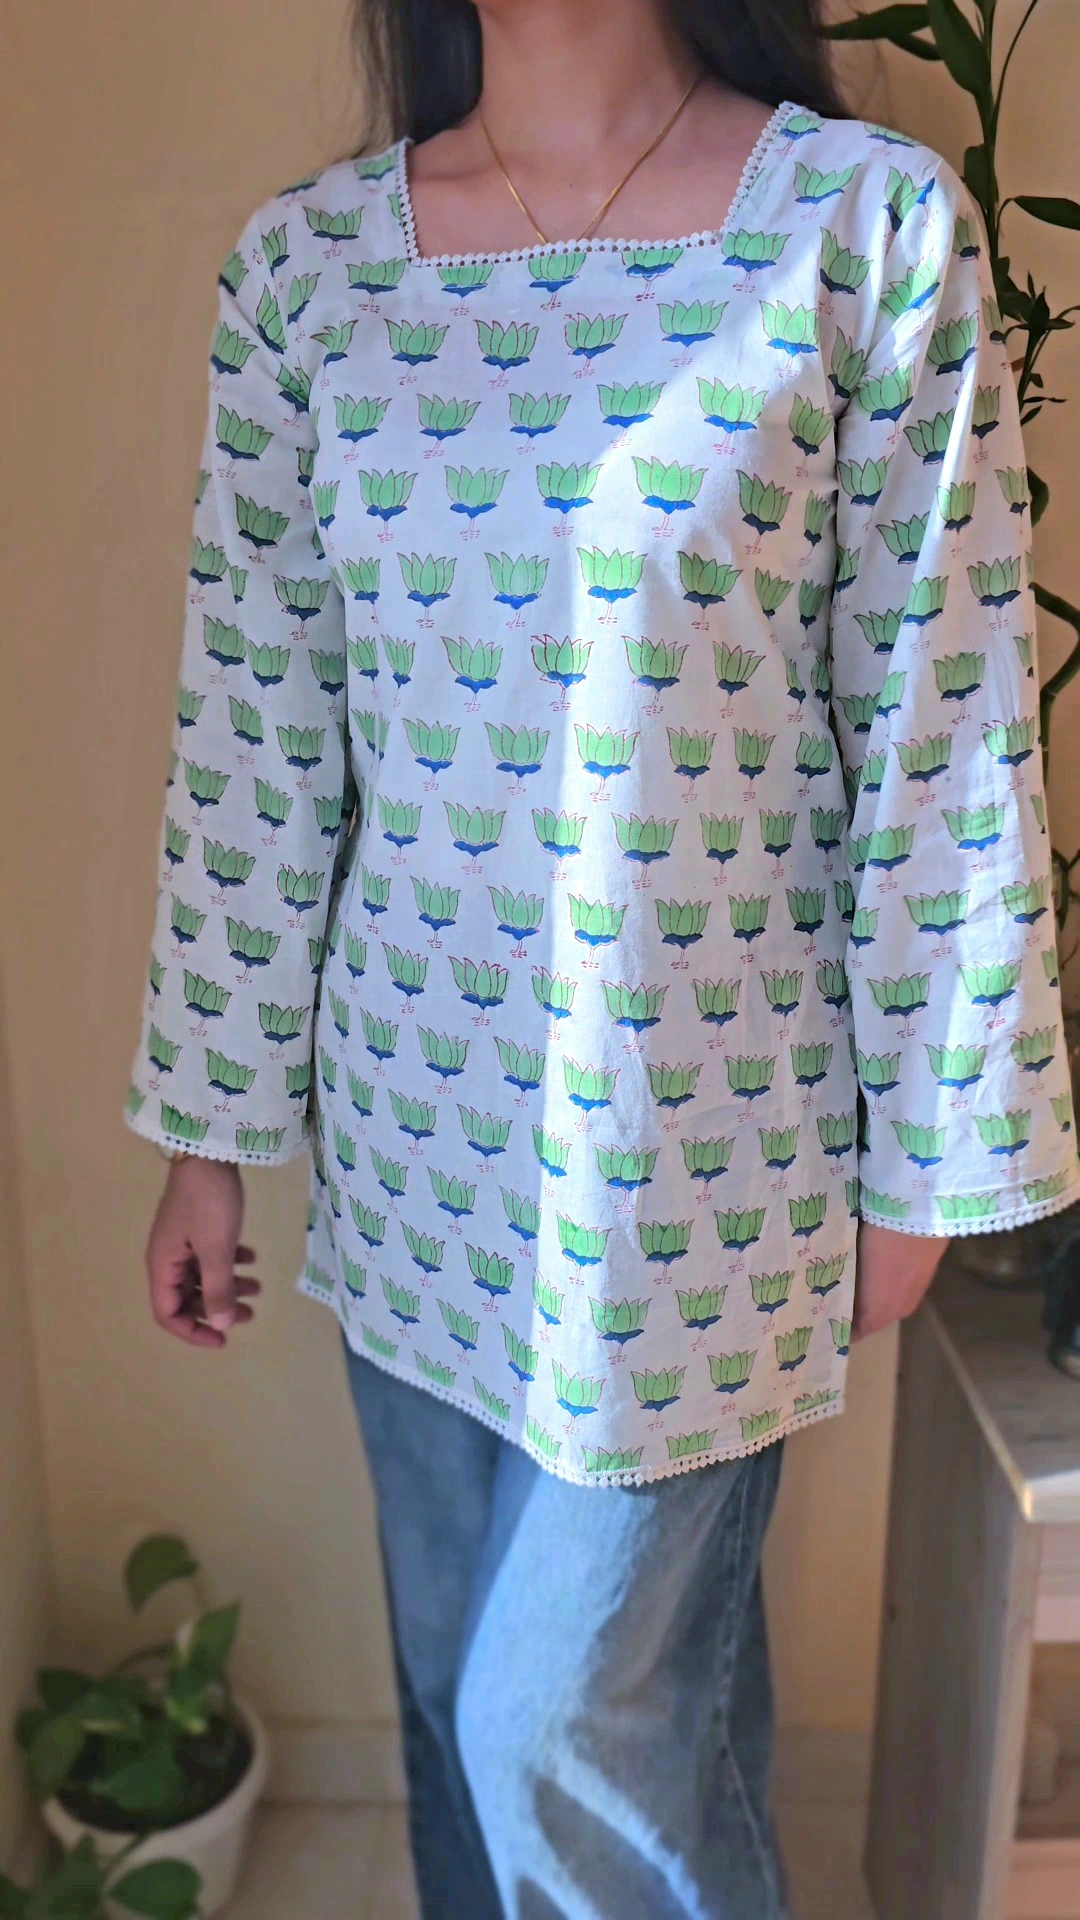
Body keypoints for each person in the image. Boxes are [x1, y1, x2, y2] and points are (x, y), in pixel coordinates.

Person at [123, 2, 1080, 1913]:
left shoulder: (863, 230)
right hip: (410, 1144)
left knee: (554, 1725)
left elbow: (939, 721)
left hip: (698, 1176)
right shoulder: (311, 276)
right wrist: (209, 1133)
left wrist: (930, 1157)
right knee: (468, 1690)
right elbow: (259, 723)